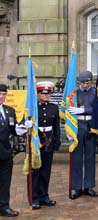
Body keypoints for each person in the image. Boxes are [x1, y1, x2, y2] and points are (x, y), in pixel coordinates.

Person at [68, 70, 98, 199]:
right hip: (78, 126)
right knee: (76, 158)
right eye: (82, 83)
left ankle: (89, 186)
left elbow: (97, 108)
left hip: (90, 127)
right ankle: (76, 187)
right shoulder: (74, 93)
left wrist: (83, 109)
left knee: (90, 157)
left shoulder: (95, 92)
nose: (85, 85)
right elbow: (68, 107)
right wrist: (69, 130)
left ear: (90, 81)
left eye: (87, 83)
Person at [31, 81, 61, 209]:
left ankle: (44, 196)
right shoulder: (33, 107)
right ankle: (35, 198)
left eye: (48, 93)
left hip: (48, 140)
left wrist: (57, 141)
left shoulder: (53, 107)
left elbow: (56, 126)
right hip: (37, 140)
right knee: (36, 170)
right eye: (44, 93)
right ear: (38, 94)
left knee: (46, 170)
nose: (46, 96)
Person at [0, 83, 21, 216]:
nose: (1, 97)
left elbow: (14, 130)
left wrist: (22, 128)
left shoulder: (9, 111)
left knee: (5, 182)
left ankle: (4, 206)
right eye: (0, 94)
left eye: (4, 94)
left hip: (5, 152)